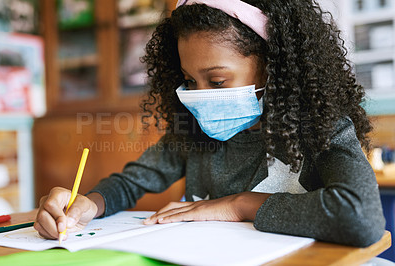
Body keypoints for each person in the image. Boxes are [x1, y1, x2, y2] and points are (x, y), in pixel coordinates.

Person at [34, 0, 385, 247]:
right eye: (189, 81)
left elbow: (361, 217)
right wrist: (87, 205)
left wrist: (238, 205)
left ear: (272, 65)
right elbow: (129, 183)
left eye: (217, 82)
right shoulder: (193, 130)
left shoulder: (320, 129)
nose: (200, 96)